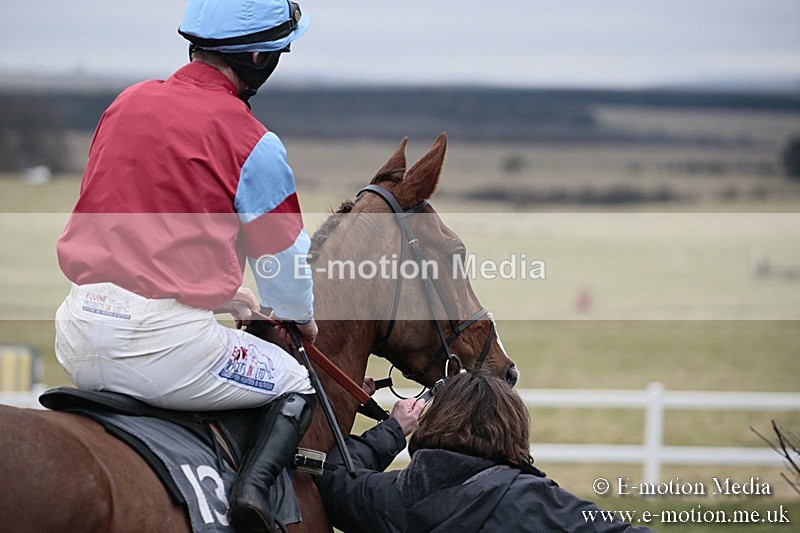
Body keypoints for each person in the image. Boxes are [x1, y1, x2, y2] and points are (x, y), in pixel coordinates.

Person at [54, 1, 316, 531]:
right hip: (160, 345)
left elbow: (131, 230)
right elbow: (283, 259)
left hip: (77, 330)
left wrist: (222, 295)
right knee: (295, 382)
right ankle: (252, 498)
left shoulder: (126, 103)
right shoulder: (253, 141)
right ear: (261, 56)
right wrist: (299, 317)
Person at [317, 371, 654, 532]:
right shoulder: (535, 503)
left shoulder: (393, 499)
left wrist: (394, 428)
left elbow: (334, 474)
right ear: (511, 428)